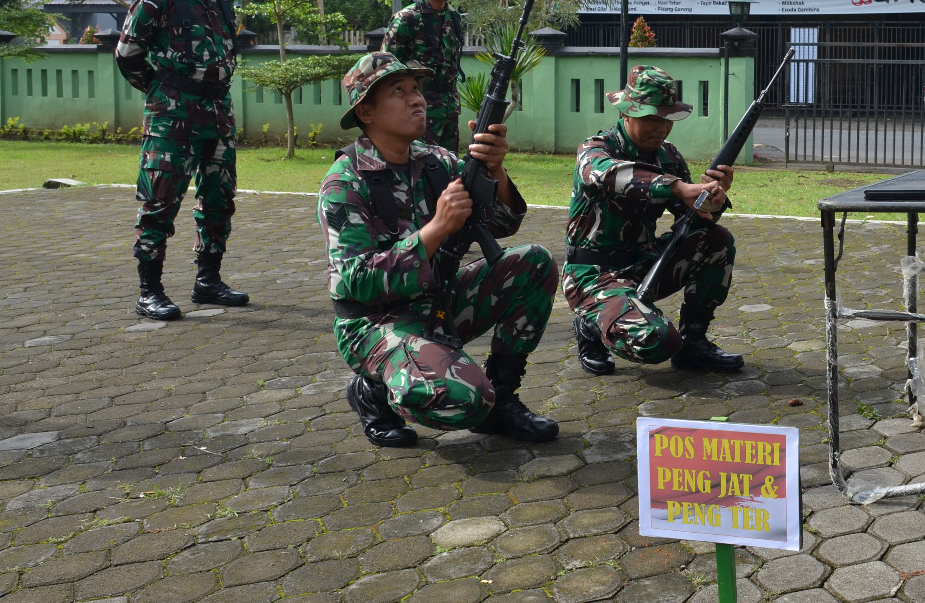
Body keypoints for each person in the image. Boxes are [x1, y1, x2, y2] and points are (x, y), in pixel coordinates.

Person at [319, 52, 558, 447]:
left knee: (534, 263)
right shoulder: (345, 182)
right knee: (467, 400)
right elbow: (358, 282)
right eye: (399, 91)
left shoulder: (435, 162)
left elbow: (502, 223)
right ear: (366, 112)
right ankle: (373, 392)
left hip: (436, 300)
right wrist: (436, 229)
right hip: (374, 322)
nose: (417, 99)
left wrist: (495, 169)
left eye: (416, 89)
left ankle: (504, 398)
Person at [564, 65, 746, 376]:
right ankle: (591, 326)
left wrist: (712, 200)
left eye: (667, 119)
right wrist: (677, 187)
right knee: (658, 342)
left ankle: (694, 342)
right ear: (626, 113)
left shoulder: (668, 156)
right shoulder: (596, 149)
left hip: (644, 265)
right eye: (651, 118)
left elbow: (692, 219)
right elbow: (608, 174)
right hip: (593, 274)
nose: (661, 128)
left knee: (716, 238)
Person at [115, 0, 250, 322]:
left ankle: (208, 281)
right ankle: (149, 292)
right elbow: (127, 55)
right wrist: (163, 90)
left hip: (218, 112)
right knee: (160, 200)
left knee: (219, 198)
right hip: (172, 116)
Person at [387, 0, 464, 153]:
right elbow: (388, 66)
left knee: (449, 162)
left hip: (449, 105)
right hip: (419, 106)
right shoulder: (408, 18)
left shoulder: (454, 17)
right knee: (421, 162)